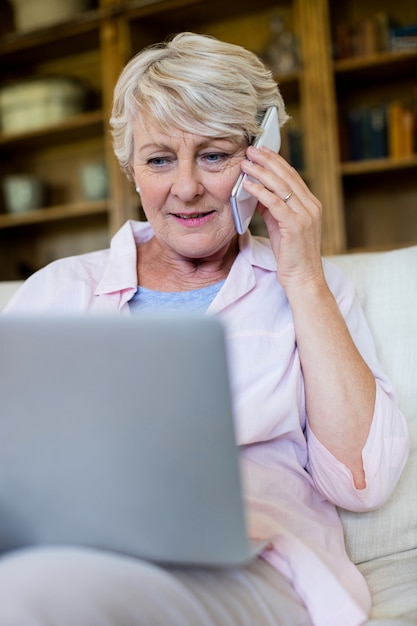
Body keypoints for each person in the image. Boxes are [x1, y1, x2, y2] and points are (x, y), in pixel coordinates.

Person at [1, 32, 409, 626]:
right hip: (76, 547)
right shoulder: (59, 290)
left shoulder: (308, 290)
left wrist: (302, 273)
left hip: (248, 564)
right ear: (131, 170)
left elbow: (362, 481)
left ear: (263, 155)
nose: (186, 187)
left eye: (215, 155)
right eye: (160, 159)